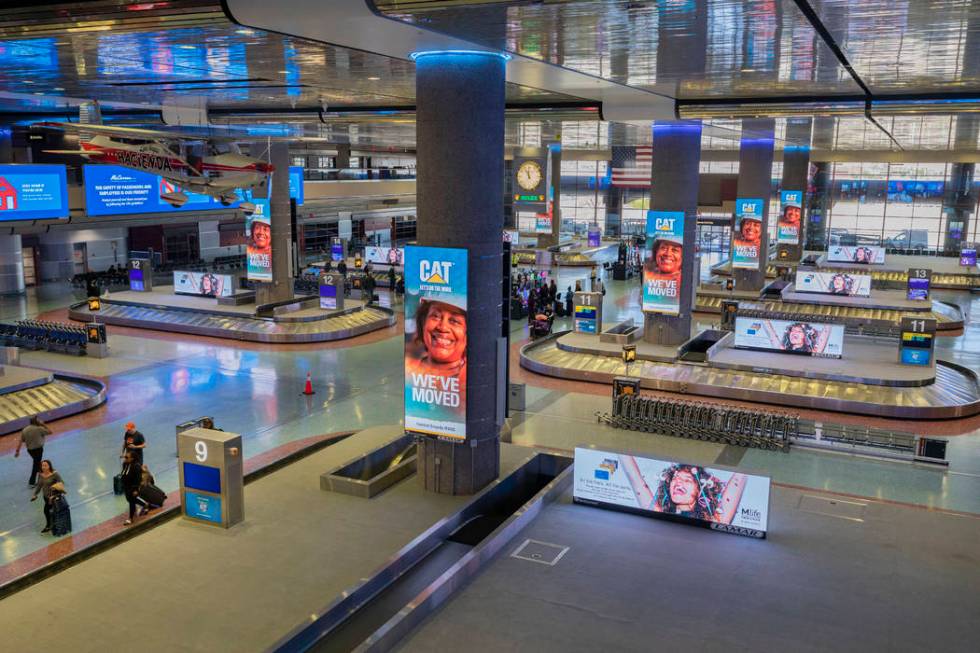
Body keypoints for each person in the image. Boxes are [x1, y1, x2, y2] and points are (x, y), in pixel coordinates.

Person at [30, 460, 65, 534]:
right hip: (46, 497)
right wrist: (35, 494)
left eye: (46, 465)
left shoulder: (54, 474)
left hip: (54, 497)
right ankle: (52, 525)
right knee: (49, 511)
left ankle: (50, 525)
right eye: (43, 465)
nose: (44, 467)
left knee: (48, 510)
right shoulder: (41, 475)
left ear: (49, 466)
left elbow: (61, 482)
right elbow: (39, 485)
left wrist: (54, 487)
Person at [15, 415, 51, 486]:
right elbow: (50, 432)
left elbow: (20, 441)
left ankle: (44, 476)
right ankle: (31, 482)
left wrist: (17, 451)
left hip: (30, 450)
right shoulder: (39, 429)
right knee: (36, 464)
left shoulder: (25, 430)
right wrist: (43, 424)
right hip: (38, 449)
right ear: (36, 422)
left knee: (37, 463)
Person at [120, 451, 147, 525]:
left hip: (132, 486)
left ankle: (130, 518)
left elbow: (138, 479)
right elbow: (124, 473)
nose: (125, 458)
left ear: (132, 458)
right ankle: (144, 504)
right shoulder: (125, 464)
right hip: (126, 486)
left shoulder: (136, 466)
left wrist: (135, 489)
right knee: (129, 499)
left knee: (131, 501)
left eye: (126, 457)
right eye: (125, 456)